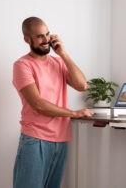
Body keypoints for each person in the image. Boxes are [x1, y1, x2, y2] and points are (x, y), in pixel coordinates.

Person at [12, 16, 93, 188]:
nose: (46, 40)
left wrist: (63, 53)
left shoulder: (58, 62)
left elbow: (82, 85)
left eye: (47, 34)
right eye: (40, 36)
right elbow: (37, 103)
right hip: (35, 140)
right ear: (27, 39)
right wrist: (73, 113)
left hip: (61, 139)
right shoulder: (22, 65)